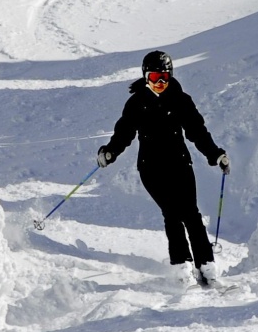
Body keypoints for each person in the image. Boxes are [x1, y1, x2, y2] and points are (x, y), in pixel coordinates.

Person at [97, 49, 230, 287]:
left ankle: (207, 267)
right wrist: (110, 151)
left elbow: (197, 132)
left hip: (180, 163)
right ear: (145, 76)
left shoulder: (181, 100)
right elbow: (124, 132)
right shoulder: (137, 103)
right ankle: (182, 268)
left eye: (164, 78)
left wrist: (216, 154)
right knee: (172, 214)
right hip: (151, 168)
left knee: (191, 214)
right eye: (154, 77)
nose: (159, 83)